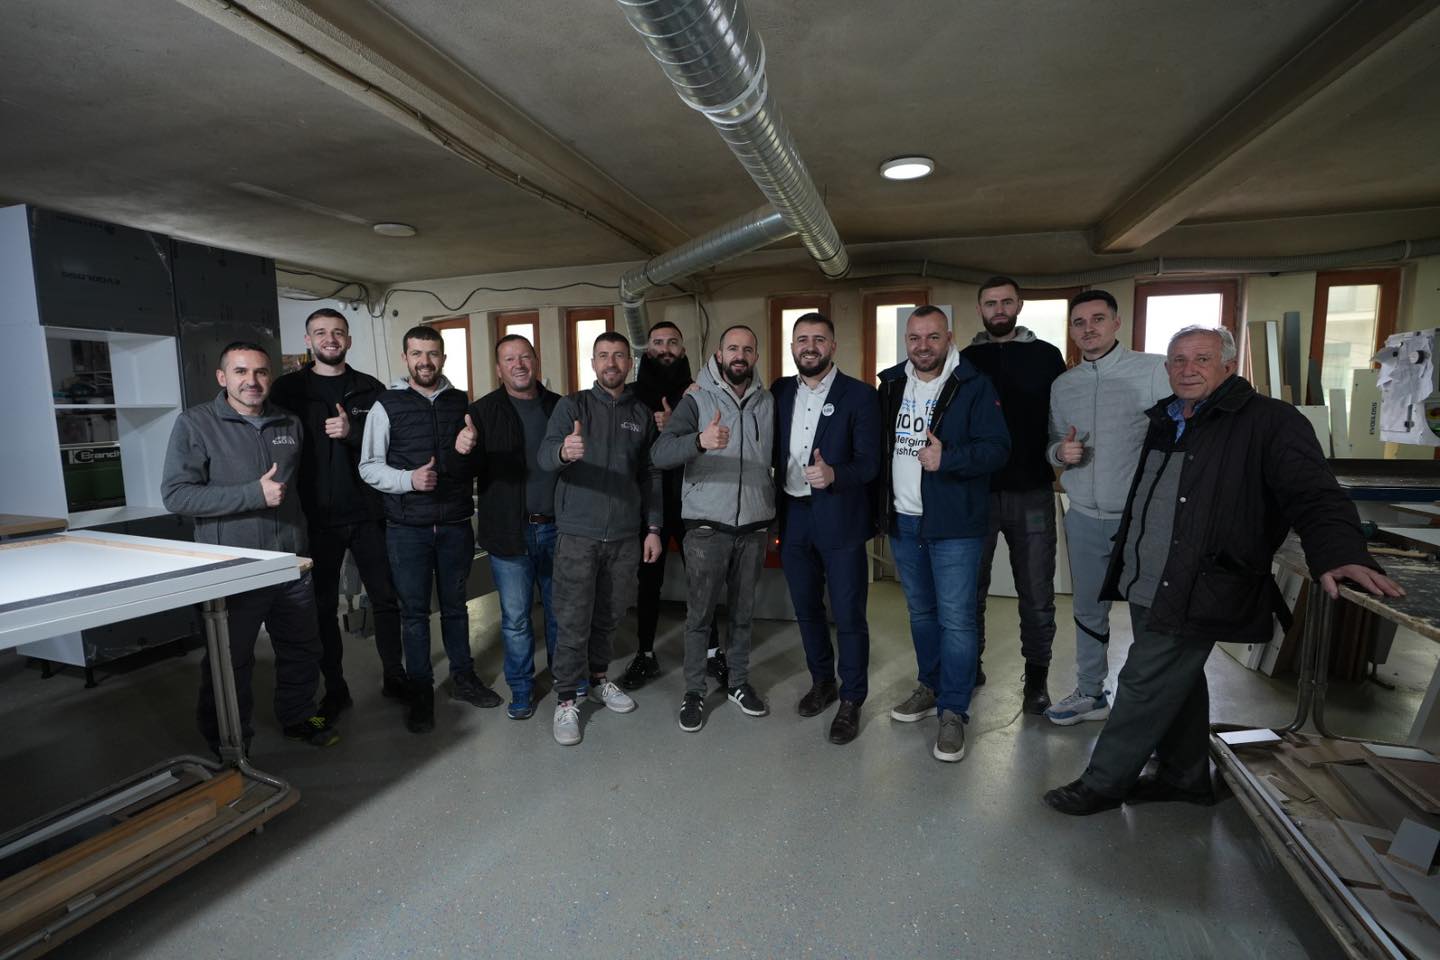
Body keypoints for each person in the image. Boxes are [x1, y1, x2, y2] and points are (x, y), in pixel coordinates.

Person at [1043, 326, 1404, 815]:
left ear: (1229, 366)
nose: (1187, 369)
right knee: (1178, 680)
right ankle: (1184, 777)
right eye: (1178, 360)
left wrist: (1339, 551)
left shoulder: (1269, 421)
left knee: (1142, 679)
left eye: (1202, 359)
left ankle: (1103, 783)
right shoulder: (1166, 418)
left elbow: (1314, 492)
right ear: (1166, 368)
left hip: (1201, 579)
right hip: (1149, 576)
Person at [161, 341, 338, 754]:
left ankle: (300, 717)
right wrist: (253, 494)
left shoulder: (288, 422)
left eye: (260, 371)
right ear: (222, 377)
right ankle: (228, 738)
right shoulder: (195, 424)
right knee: (230, 658)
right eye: (240, 371)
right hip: (233, 568)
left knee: (302, 649)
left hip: (290, 563)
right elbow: (177, 495)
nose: (251, 381)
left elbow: (299, 490)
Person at [878, 306, 1009, 763]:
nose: (923, 346)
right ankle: (930, 686)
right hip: (904, 520)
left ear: (949, 338)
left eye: (933, 337)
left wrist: (947, 459)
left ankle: (953, 709)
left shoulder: (973, 384)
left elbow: (998, 449)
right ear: (906, 340)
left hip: (954, 524)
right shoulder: (891, 384)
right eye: (915, 337)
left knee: (956, 619)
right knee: (921, 613)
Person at [359, 325, 501, 734]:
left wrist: (469, 449)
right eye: (417, 353)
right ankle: (420, 689)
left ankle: (463, 678)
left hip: (455, 523)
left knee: (457, 608)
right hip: (407, 528)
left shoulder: (460, 401)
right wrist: (408, 480)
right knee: (414, 614)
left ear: (443, 357)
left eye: (433, 353)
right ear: (405, 358)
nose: (425, 361)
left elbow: (471, 464)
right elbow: (368, 466)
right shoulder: (386, 405)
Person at [270, 308, 406, 721]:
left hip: (368, 514)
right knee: (322, 607)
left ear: (348, 340)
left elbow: (391, 445)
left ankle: (395, 676)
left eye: (338, 332)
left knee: (385, 599)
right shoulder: (287, 390)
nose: (330, 339)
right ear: (308, 340)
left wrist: (353, 434)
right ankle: (335, 687)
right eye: (321, 332)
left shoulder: (370, 389)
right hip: (315, 518)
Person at [1041, 291, 1168, 727]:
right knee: (1087, 610)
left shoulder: (1152, 371)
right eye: (1079, 322)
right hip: (1082, 516)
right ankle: (1091, 693)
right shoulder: (1064, 385)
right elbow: (1052, 444)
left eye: (1098, 319)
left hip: (1139, 521)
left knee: (1147, 615)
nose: (1088, 328)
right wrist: (1060, 453)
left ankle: (1148, 705)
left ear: (1117, 322)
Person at [538, 332, 662, 745]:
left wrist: (653, 528)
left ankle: (597, 679)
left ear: (629, 363)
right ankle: (566, 699)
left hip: (625, 536)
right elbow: (545, 455)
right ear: (592, 363)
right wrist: (563, 452)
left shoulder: (640, 414)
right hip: (578, 534)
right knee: (573, 618)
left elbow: (650, 474)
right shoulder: (572, 406)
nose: (611, 362)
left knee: (609, 615)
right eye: (603, 355)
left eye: (619, 355)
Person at [652, 324, 776, 733]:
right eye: (732, 348)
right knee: (699, 616)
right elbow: (661, 452)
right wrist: (699, 441)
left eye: (748, 349)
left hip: (753, 526)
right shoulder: (696, 400)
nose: (740, 355)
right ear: (719, 355)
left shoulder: (767, 402)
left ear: (755, 356)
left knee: (743, 614)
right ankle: (694, 691)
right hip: (707, 527)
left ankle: (738, 682)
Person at [771, 312, 882, 744]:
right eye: (802, 339)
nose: (810, 346)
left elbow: (870, 463)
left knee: (848, 612)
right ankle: (823, 681)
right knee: (806, 607)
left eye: (819, 339)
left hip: (841, 516)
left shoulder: (860, 395)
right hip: (794, 515)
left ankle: (852, 697)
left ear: (833, 346)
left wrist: (835, 474)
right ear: (792, 347)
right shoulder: (780, 391)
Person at [960, 276, 1067, 713]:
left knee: (1037, 592)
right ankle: (970, 667)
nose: (999, 309)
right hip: (977, 495)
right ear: (980, 309)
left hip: (1032, 494)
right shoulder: (965, 360)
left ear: (1019, 305)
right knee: (970, 591)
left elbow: (1061, 418)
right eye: (991, 303)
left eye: (1006, 302)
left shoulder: (1046, 356)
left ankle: (1036, 680)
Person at [454, 334, 561, 720]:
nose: (519, 364)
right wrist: (463, 449)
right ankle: (522, 687)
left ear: (536, 361)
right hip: (508, 532)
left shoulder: (560, 407)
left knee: (560, 613)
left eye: (525, 356)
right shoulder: (482, 412)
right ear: (499, 369)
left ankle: (565, 679)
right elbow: (464, 473)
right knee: (516, 619)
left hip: (557, 529)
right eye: (509, 359)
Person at [619, 321, 720, 689]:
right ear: (647, 351)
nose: (665, 349)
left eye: (672, 342)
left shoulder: (701, 392)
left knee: (701, 580)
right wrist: (653, 426)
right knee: (648, 582)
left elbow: (714, 438)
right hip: (648, 505)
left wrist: (676, 424)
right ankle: (645, 654)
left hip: (693, 500)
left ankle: (713, 652)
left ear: (683, 350)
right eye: (658, 343)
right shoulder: (630, 397)